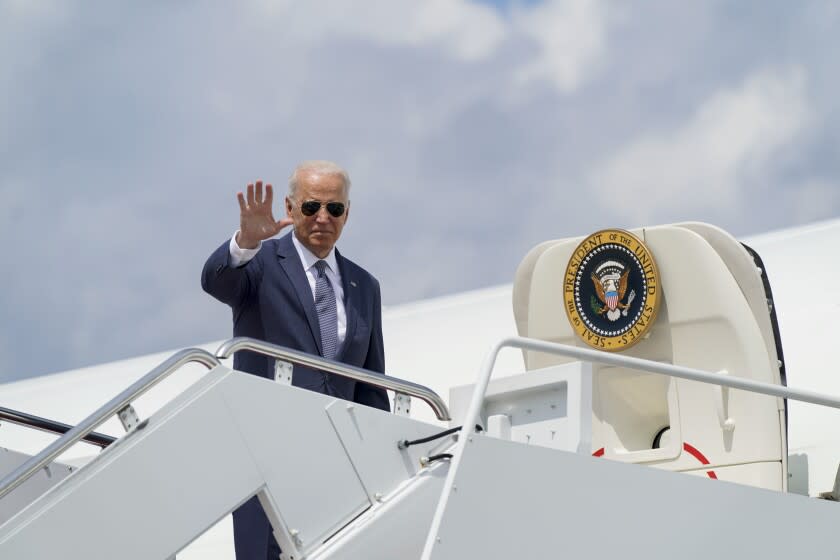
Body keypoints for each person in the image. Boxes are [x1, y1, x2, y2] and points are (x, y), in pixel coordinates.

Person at [201, 160, 389, 560]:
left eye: (334, 209)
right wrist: (245, 243)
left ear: (347, 213)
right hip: (269, 456)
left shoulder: (364, 286)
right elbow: (215, 281)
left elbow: (372, 387)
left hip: (339, 465)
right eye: (310, 207)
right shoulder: (261, 264)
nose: (323, 217)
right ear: (290, 209)